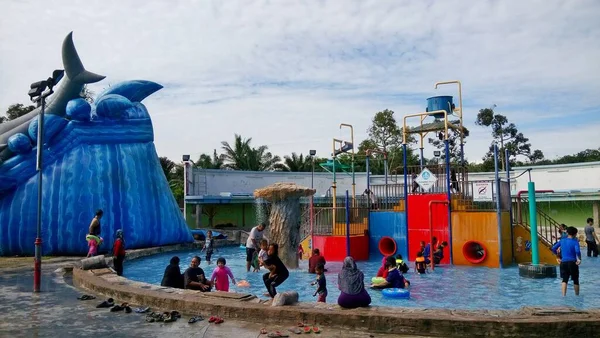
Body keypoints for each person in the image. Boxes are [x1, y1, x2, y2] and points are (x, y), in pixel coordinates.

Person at [551, 226, 582, 296]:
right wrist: (579, 259)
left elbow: (553, 248)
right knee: (575, 280)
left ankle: (563, 295)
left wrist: (558, 256)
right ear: (575, 234)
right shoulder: (575, 242)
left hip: (563, 262)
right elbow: (577, 251)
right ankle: (577, 296)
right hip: (572, 262)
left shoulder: (562, 240)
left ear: (567, 233)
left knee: (565, 279)